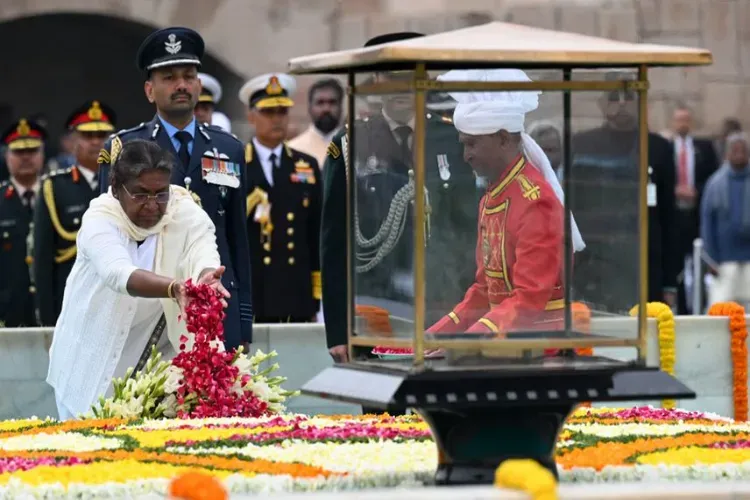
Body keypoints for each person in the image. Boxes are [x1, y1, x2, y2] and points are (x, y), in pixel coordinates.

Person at [321, 32, 478, 364]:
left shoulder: (453, 139)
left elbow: (468, 234)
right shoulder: (352, 142)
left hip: (441, 308)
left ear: (427, 80)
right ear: (376, 80)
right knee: (380, 414)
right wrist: (338, 330)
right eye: (393, 77)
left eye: (411, 77)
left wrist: (469, 319)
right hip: (374, 310)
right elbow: (335, 241)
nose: (402, 87)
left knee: (436, 410)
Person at [47, 139, 229, 420]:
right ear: (117, 187)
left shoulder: (183, 209)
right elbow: (116, 272)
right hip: (88, 362)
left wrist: (207, 277)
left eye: (160, 194)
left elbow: (203, 248)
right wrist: (174, 288)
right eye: (141, 194)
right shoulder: (100, 218)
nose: (152, 205)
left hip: (153, 363)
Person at [97, 27, 253, 351]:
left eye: (189, 75)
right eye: (169, 77)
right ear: (149, 90)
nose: (181, 85)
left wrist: (244, 319)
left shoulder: (230, 149)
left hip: (217, 304)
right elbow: (110, 242)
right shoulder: (125, 149)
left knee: (220, 400)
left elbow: (238, 238)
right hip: (150, 311)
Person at [427, 69, 585, 335]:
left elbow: (528, 299)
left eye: (472, 145)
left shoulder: (535, 201)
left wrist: (467, 342)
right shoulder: (493, 196)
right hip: (501, 341)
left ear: (502, 139)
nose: (466, 156)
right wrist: (433, 336)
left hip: (540, 347)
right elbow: (484, 291)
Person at [572, 76, 678, 313]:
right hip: (595, 258)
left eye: (628, 98)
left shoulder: (658, 147)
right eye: (613, 98)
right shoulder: (582, 144)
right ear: (602, 105)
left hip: (644, 258)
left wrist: (670, 279)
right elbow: (573, 206)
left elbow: (669, 217)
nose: (621, 104)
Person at [239, 73, 322, 323]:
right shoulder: (236, 163)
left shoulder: (305, 165)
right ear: (251, 116)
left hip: (295, 293)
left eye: (282, 112)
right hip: (253, 290)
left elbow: (315, 232)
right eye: (268, 112)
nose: (276, 119)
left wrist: (315, 288)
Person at [34, 100, 117, 326]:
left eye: (102, 136)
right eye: (87, 136)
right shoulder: (55, 187)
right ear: (73, 141)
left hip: (116, 301)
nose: (95, 142)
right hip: (70, 302)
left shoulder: (126, 186)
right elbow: (43, 258)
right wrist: (49, 317)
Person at [669, 104, 718, 314]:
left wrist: (696, 191)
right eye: (679, 119)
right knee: (677, 264)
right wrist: (674, 190)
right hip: (674, 214)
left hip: (697, 214)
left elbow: (712, 177)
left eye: (686, 119)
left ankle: (702, 305)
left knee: (700, 262)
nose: (683, 124)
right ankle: (682, 308)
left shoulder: (703, 148)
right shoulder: (667, 147)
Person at [0, 118, 46, 327]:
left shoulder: (57, 196)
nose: (26, 157)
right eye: (18, 152)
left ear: (42, 154)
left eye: (33, 151)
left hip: (52, 309)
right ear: (7, 156)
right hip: (7, 311)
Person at [701, 133, 750, 307]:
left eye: (742, 150)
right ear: (727, 154)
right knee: (720, 309)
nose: (739, 154)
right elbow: (707, 222)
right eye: (734, 150)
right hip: (723, 261)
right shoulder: (715, 183)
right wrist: (711, 259)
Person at [287, 78, 344, 168]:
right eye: (320, 103)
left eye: (332, 102)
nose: (326, 109)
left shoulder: (354, 147)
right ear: (309, 108)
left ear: (341, 107)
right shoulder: (293, 149)